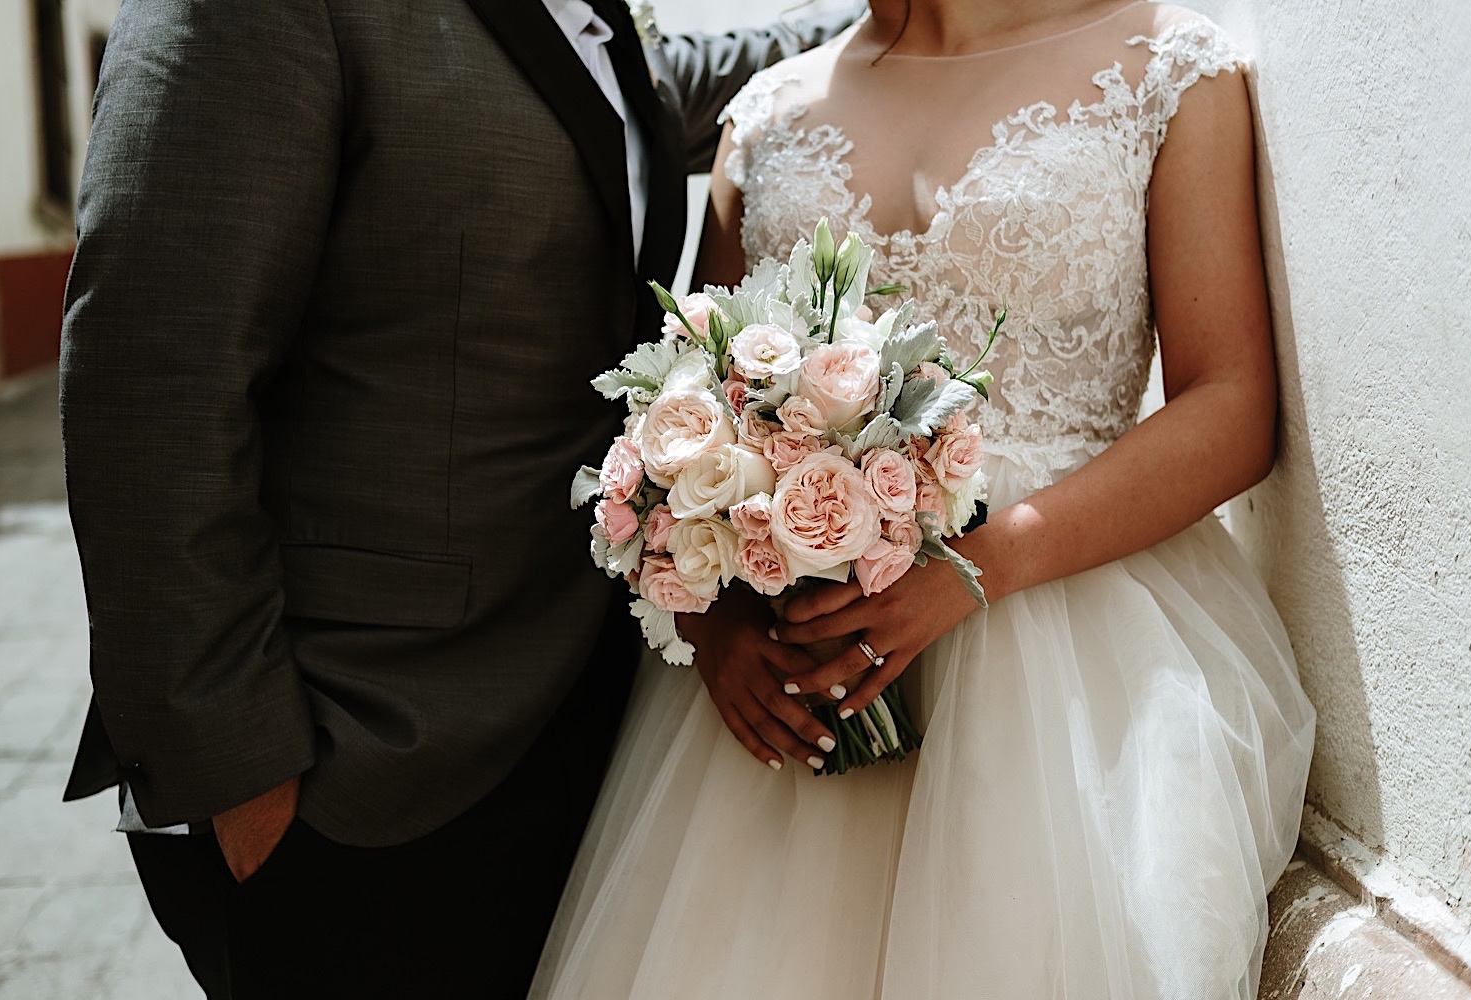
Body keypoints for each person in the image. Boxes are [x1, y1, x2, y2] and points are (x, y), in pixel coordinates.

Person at [57, 1, 851, 996]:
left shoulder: (583, 18)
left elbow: (657, 85)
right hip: (359, 770)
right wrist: (244, 783)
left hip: (573, 737)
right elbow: (150, 385)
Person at [528, 1, 1317, 996]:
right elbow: (697, 395)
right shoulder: (764, 118)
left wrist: (981, 570)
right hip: (797, 682)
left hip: (1073, 658)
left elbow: (1234, 404)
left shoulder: (1168, 70)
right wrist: (722, 615)